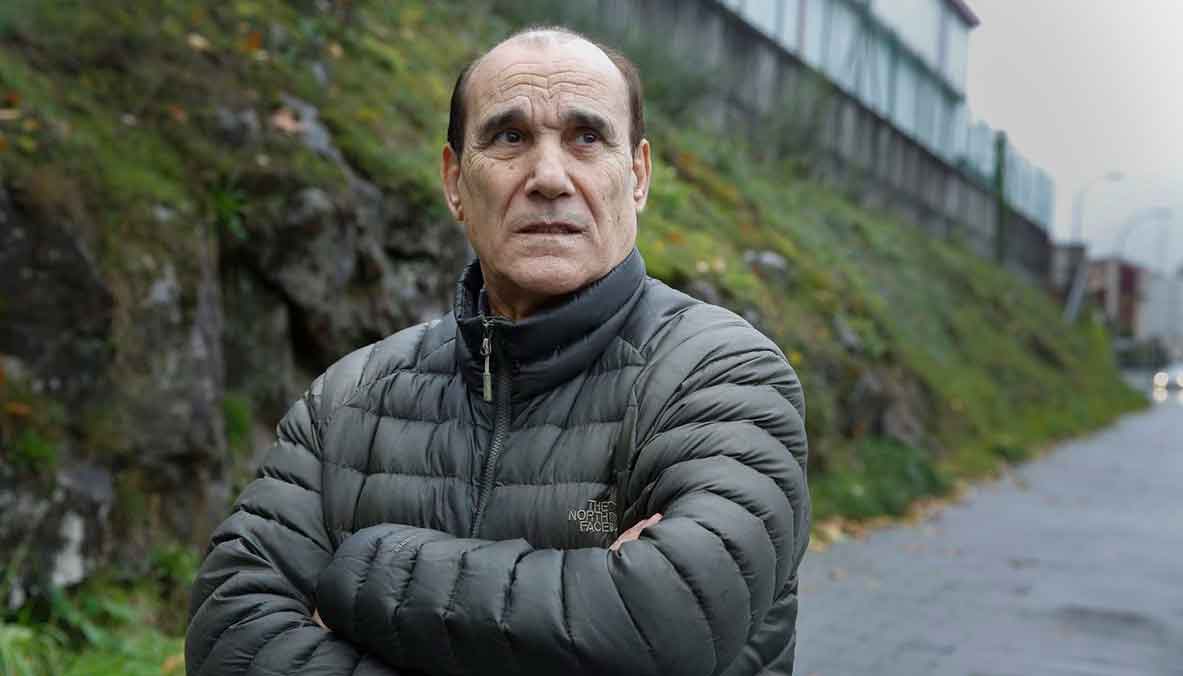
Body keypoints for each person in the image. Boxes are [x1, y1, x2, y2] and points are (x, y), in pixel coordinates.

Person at [186, 25, 809, 676]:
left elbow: (666, 619)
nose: (549, 177)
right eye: (510, 137)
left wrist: (366, 568)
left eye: (586, 138)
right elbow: (231, 636)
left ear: (638, 176)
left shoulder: (723, 375)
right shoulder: (349, 398)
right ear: (455, 181)